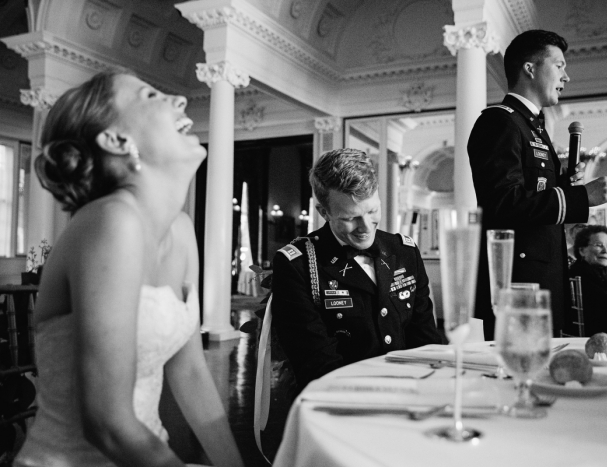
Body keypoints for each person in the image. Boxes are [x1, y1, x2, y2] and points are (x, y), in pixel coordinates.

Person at [14, 71, 243, 466]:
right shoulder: (110, 222)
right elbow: (106, 422)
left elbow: (188, 372)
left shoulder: (182, 230)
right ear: (117, 140)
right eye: (152, 93)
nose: (181, 100)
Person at [467, 29, 607, 339]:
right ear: (530, 68)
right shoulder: (500, 121)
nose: (567, 76)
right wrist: (579, 197)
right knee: (518, 379)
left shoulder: (532, 126)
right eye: (560, 65)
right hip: (517, 283)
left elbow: (531, 195)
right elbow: (503, 202)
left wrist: (564, 184)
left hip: (540, 276)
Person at [271, 148, 443, 391]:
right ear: (324, 213)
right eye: (350, 218)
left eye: (372, 211)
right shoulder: (298, 264)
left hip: (411, 393)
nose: (365, 228)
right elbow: (316, 361)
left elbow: (425, 340)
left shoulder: (404, 251)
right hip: (342, 401)